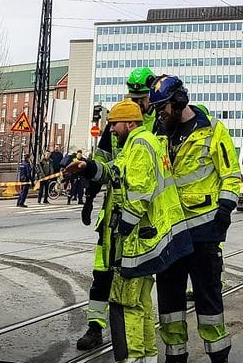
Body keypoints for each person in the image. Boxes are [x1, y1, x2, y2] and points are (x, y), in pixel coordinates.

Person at [71, 100, 191, 363]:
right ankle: (146, 357)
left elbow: (138, 195)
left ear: (129, 123)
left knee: (126, 305)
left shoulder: (138, 146)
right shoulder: (139, 143)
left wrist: (123, 228)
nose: (111, 130)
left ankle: (133, 358)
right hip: (151, 240)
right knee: (141, 304)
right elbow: (115, 171)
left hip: (138, 241)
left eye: (114, 124)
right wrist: (88, 168)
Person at [149, 75, 241, 363]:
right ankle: (175, 356)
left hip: (203, 234)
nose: (159, 114)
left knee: (209, 302)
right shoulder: (159, 133)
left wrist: (224, 211)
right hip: (169, 234)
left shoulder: (213, 130)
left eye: (162, 108)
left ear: (178, 103)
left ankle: (218, 357)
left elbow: (231, 175)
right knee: (169, 305)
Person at [71, 67, 156, 351]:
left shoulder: (155, 124)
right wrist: (89, 198)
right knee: (102, 272)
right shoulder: (119, 120)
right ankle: (95, 328)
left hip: (144, 218)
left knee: (136, 284)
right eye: (133, 96)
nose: (137, 102)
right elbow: (104, 160)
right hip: (114, 213)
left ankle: (141, 343)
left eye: (141, 97)